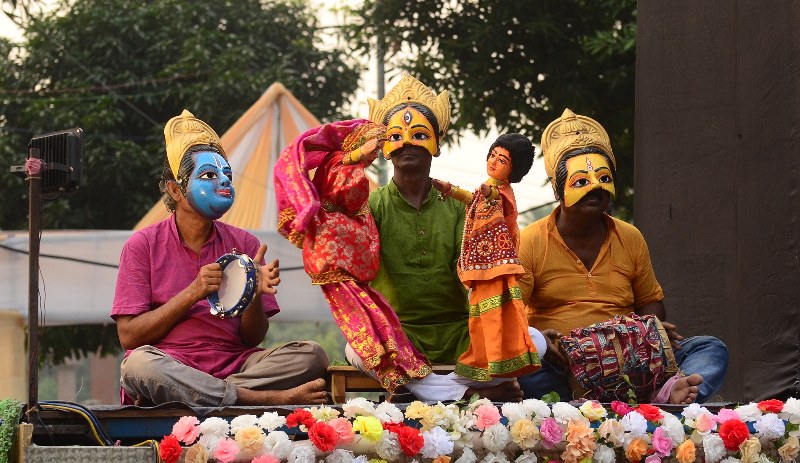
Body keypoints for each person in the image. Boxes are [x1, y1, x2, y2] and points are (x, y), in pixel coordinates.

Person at [111, 109, 329, 407]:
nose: (224, 182)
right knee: (139, 366)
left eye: (227, 175)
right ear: (175, 190)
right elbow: (129, 337)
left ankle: (206, 394)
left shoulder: (246, 243)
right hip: (170, 362)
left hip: (236, 365)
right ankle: (260, 398)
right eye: (209, 175)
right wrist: (194, 292)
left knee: (312, 355)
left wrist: (253, 294)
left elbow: (252, 339)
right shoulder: (142, 244)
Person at [517, 108, 729, 404]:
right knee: (520, 366)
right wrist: (539, 340)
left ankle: (664, 396)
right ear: (557, 190)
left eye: (603, 178)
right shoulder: (530, 240)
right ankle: (634, 401)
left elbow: (651, 304)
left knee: (709, 348)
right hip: (563, 364)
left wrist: (650, 333)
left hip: (630, 362)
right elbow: (511, 312)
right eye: (581, 181)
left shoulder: (630, 237)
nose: (595, 187)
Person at [347, 75, 531, 402]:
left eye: (419, 135)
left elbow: (480, 267)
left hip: (460, 331)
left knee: (530, 338)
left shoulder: (461, 205)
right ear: (385, 148)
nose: (408, 143)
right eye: (396, 137)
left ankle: (419, 390)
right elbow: (348, 260)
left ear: (436, 144)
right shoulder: (371, 206)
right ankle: (463, 389)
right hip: (399, 332)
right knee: (357, 345)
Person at [273, 119, 431, 393]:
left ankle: (395, 362)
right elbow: (344, 195)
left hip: (343, 252)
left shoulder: (345, 168)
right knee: (357, 313)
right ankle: (385, 366)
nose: (376, 156)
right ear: (361, 145)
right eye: (374, 149)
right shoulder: (342, 167)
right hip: (333, 254)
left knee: (371, 307)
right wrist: (357, 156)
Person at [431, 134, 541, 381]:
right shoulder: (488, 187)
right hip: (482, 266)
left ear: (514, 170)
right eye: (493, 155)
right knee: (479, 316)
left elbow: (496, 199)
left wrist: (489, 192)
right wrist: (450, 189)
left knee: (492, 315)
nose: (494, 162)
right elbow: (473, 200)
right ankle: (481, 362)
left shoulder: (503, 193)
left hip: (497, 267)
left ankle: (496, 364)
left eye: (502, 160)